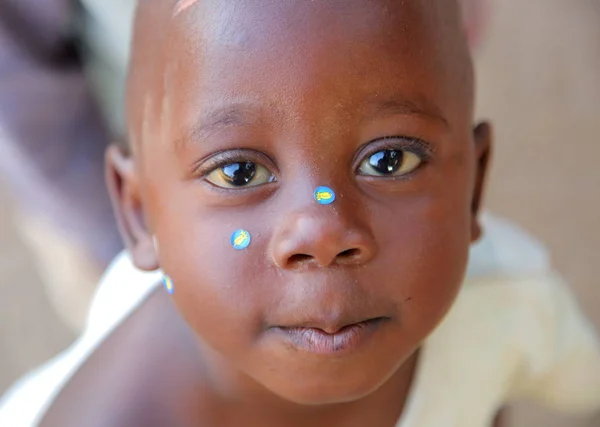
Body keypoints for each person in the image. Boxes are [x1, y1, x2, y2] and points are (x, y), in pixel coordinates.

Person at [1, 0, 599, 426]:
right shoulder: (108, 414)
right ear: (138, 213)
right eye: (239, 173)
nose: (323, 231)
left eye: (389, 160)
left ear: (474, 184)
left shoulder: (510, 303)